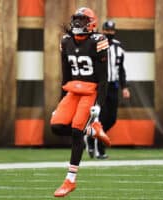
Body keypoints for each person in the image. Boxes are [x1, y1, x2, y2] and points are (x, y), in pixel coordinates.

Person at [50, 7, 112, 197]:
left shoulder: (98, 41)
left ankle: (70, 180)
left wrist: (98, 106)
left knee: (77, 131)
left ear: (91, 24)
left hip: (90, 91)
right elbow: (65, 76)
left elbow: (103, 79)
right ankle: (93, 130)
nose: (78, 24)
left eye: (83, 20)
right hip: (73, 90)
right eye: (76, 20)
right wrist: (60, 102)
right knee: (57, 126)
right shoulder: (66, 41)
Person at [85, 20, 130, 159]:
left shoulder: (118, 47)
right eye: (107, 30)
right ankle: (100, 150)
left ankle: (92, 136)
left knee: (112, 118)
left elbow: (121, 69)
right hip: (101, 86)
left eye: (111, 31)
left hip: (113, 86)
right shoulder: (96, 45)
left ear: (114, 31)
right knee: (103, 117)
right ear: (102, 30)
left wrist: (124, 87)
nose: (109, 33)